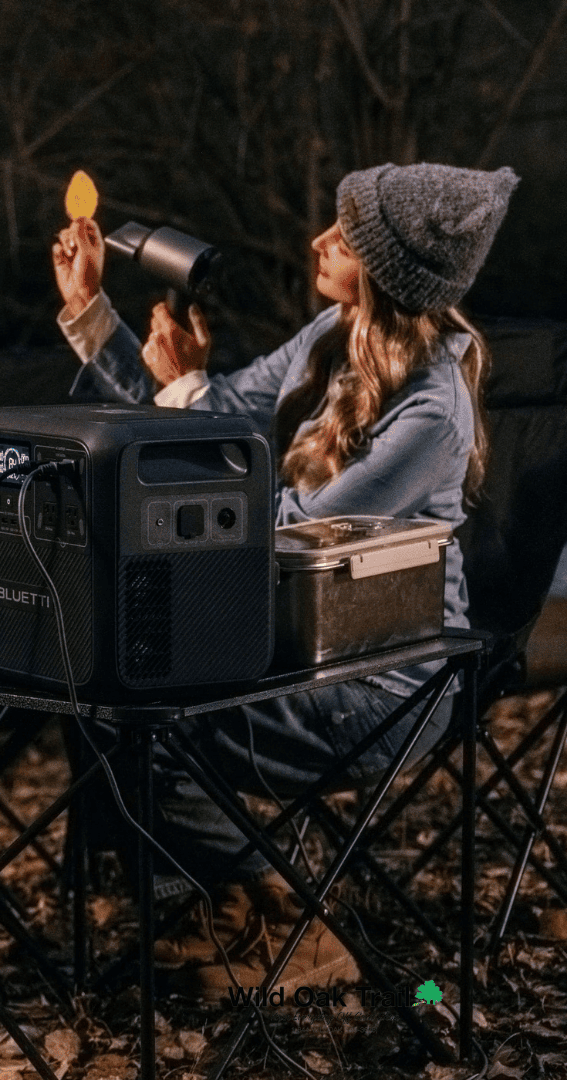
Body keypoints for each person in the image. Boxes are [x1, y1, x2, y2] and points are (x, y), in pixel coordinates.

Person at [51, 162, 519, 998]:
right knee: (94, 679)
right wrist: (96, 315)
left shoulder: (432, 410)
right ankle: (215, 911)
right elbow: (216, 419)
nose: (319, 241)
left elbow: (293, 526)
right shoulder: (331, 335)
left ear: (388, 268)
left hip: (385, 682)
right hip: (291, 637)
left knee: (153, 704)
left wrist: (192, 398)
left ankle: (292, 920)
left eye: (344, 235)